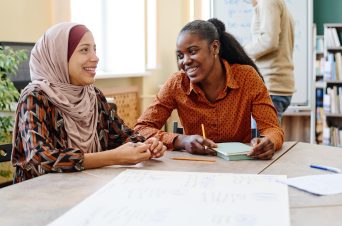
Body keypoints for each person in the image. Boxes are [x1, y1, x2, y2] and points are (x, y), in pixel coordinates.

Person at [11, 22, 166, 183]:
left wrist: (147, 145)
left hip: (87, 188)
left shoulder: (93, 95)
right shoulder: (35, 97)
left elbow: (122, 136)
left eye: (95, 49)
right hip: (39, 196)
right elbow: (41, 157)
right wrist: (112, 157)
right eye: (84, 50)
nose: (95, 58)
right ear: (59, 56)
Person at [135, 18, 284, 160]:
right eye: (180, 55)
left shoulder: (246, 77)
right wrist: (181, 140)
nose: (185, 61)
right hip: (196, 168)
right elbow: (141, 129)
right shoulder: (177, 83)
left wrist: (269, 141)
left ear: (214, 47)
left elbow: (272, 129)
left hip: (239, 165)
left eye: (192, 51)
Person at [244, 0, 295, 121]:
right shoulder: (270, 4)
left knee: (266, 139)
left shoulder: (268, 2)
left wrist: (241, 51)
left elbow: (268, 41)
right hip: (274, 86)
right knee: (265, 138)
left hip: (272, 86)